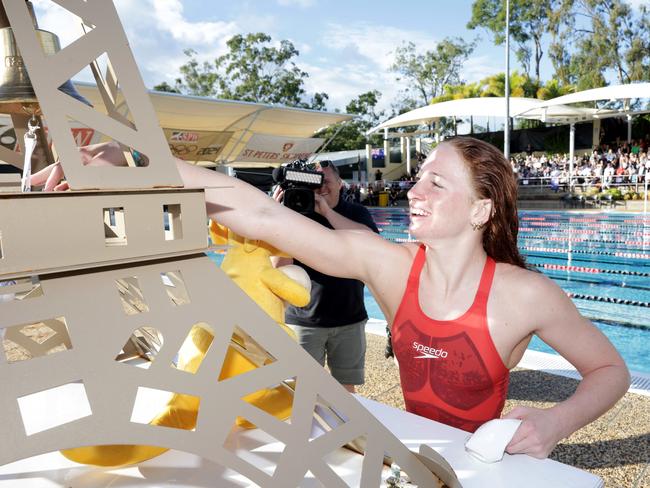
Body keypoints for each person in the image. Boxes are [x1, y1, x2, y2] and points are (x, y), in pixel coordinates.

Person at [33, 137, 630, 459]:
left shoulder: (526, 295)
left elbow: (609, 369)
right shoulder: (386, 263)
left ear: (480, 210)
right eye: (417, 176)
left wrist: (555, 423)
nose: (413, 189)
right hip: (409, 452)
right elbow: (254, 209)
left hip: (491, 465)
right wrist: (134, 167)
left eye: (435, 182)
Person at [272, 160, 379, 393]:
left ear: (340, 183)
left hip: (349, 319)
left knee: (346, 390)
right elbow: (279, 267)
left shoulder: (356, 213)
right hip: (303, 320)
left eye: (326, 181)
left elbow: (373, 245)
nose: (321, 188)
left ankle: (348, 430)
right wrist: (278, 218)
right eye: (314, 182)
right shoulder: (297, 214)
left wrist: (327, 213)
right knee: (299, 389)